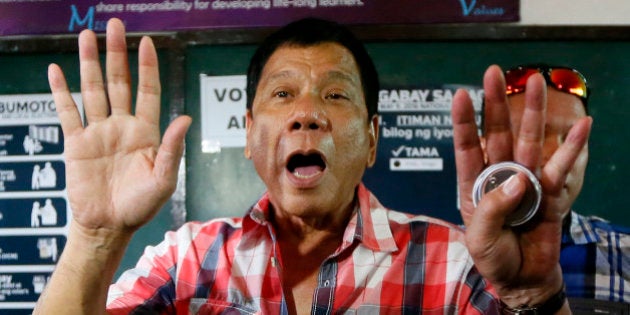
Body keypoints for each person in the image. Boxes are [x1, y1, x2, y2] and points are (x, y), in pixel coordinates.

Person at [33, 18, 591, 314]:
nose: (306, 114)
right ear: (249, 135)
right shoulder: (184, 261)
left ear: (372, 140)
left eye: (335, 96)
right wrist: (95, 236)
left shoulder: (454, 263)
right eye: (282, 94)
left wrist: (531, 299)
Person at [499, 64, 630, 303]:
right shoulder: (441, 259)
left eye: (573, 139)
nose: (558, 155)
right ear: (486, 147)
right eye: (534, 134)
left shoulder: (626, 254)